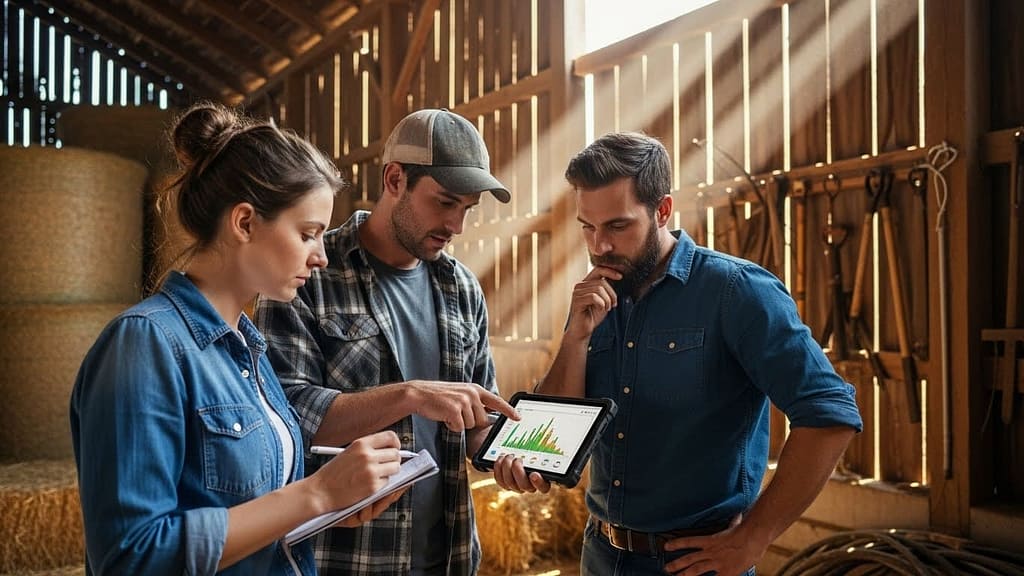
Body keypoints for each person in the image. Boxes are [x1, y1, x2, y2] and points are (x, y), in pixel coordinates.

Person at [493, 132, 864, 576]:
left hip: (695, 565)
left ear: (662, 210)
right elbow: (555, 431)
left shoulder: (736, 291)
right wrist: (575, 339)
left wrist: (753, 538)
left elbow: (831, 414)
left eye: (617, 226)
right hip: (600, 555)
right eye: (588, 227)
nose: (599, 246)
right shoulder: (595, 299)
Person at [70, 103, 407, 576]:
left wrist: (325, 508)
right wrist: (316, 492)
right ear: (245, 222)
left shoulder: (249, 350)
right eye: (309, 234)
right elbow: (132, 556)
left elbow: (250, 510)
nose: (321, 258)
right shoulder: (144, 345)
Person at [254, 108, 518, 576]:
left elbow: (476, 418)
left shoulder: (462, 288)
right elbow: (287, 417)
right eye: (444, 202)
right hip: (347, 560)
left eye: (466, 209)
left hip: (449, 557)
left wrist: (505, 455)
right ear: (395, 178)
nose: (456, 225)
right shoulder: (307, 272)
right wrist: (410, 395)